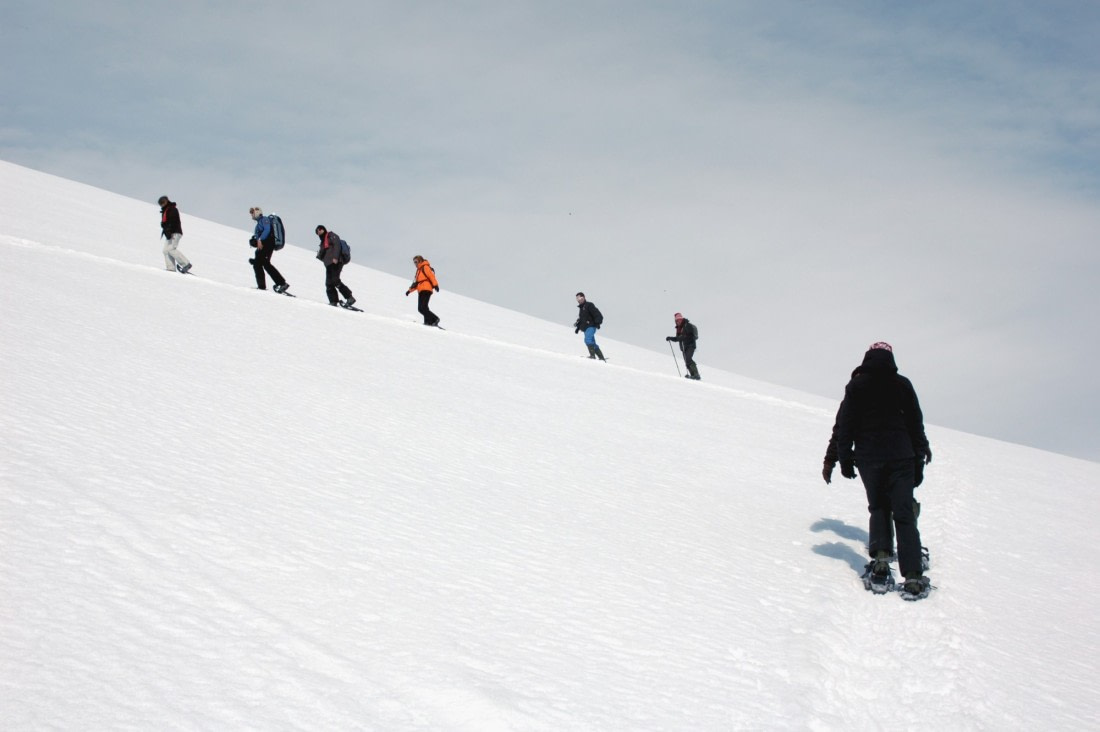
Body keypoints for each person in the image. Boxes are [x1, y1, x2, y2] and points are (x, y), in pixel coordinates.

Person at [824, 341, 933, 596]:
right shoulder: (903, 384)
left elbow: (845, 425)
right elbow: (916, 425)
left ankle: (881, 563)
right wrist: (919, 458)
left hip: (868, 457)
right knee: (904, 512)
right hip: (901, 457)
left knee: (879, 507)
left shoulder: (857, 385)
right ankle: (914, 575)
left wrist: (843, 459)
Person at [248, 207, 289, 293]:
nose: (251, 214)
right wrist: (254, 241)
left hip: (268, 243)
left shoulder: (264, 219)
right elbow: (258, 237)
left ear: (257, 212)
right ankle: (262, 286)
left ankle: (281, 283)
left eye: (252, 212)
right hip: (264, 244)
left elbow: (267, 230)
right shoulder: (258, 224)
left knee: (265, 263)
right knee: (258, 264)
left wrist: (259, 239)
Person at [314, 225, 355, 307]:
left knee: (335, 280)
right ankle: (333, 301)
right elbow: (322, 255)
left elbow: (337, 245)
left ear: (324, 229)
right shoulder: (322, 243)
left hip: (336, 261)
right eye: (317, 231)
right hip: (328, 264)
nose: (319, 232)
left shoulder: (331, 236)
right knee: (328, 283)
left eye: (320, 230)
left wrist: (335, 257)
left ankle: (350, 297)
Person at [157, 196, 191, 273]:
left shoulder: (172, 209)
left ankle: (186, 264)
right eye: (160, 204)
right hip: (170, 233)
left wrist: (169, 230)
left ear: (166, 201)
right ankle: (171, 268)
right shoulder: (166, 210)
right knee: (165, 250)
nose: (162, 205)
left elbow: (173, 221)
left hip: (175, 232)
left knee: (171, 249)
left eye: (163, 203)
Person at [405, 255, 440, 326]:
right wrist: (409, 290)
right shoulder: (418, 271)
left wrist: (435, 285)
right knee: (421, 308)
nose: (415, 264)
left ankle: (435, 319)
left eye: (416, 262)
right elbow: (416, 283)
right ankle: (428, 321)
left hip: (426, 289)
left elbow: (431, 276)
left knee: (423, 307)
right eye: (414, 262)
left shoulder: (425, 267)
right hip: (421, 290)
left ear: (420, 261)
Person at [666, 312, 700, 380]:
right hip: (684, 348)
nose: (678, 321)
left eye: (679, 320)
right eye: (677, 320)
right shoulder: (679, 329)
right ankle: (692, 375)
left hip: (690, 345)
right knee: (687, 361)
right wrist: (670, 338)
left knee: (688, 359)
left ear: (682, 319)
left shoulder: (687, 325)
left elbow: (691, 335)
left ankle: (696, 375)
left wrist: (683, 337)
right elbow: (677, 339)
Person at [574, 292, 605, 361]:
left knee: (587, 339)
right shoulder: (581, 309)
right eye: (578, 299)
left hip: (591, 326)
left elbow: (597, 314)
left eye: (580, 298)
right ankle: (601, 358)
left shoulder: (589, 305)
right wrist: (578, 327)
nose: (579, 300)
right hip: (585, 328)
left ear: (584, 297)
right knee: (592, 342)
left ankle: (592, 356)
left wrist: (597, 322)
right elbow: (582, 320)